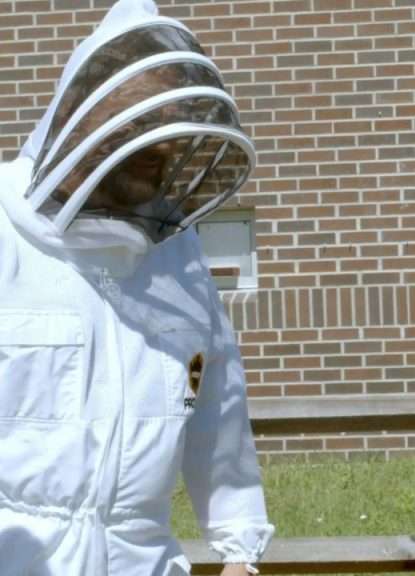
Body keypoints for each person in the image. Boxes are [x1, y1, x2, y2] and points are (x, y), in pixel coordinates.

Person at [0, 1, 273, 574]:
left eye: (161, 155)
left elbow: (215, 398)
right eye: (137, 148)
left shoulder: (175, 248)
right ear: (83, 122)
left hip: (141, 556)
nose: (153, 170)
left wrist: (238, 548)